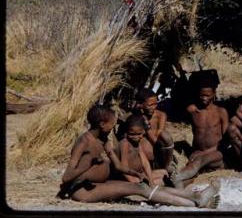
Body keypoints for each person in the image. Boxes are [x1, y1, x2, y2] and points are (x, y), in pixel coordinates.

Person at [57, 104, 220, 208]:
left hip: (100, 182)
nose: (113, 127)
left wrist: (137, 174)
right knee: (140, 189)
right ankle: (195, 202)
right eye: (111, 124)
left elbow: (119, 166)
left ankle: (195, 197)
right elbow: (67, 176)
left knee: (143, 185)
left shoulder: (104, 139)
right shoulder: (84, 141)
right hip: (81, 190)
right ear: (101, 124)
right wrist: (90, 164)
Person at [171, 75, 229, 189]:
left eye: (207, 95)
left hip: (216, 153)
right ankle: (178, 187)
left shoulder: (221, 112)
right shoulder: (193, 111)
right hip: (198, 151)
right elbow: (177, 112)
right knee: (193, 166)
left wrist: (204, 152)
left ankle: (179, 176)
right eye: (202, 95)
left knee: (200, 160)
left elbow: (225, 141)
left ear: (213, 94)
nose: (204, 98)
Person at [116, 114, 167, 186]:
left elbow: (145, 162)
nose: (135, 137)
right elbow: (124, 169)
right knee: (161, 181)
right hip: (130, 178)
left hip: (140, 174)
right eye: (132, 134)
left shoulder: (138, 143)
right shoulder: (125, 144)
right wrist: (136, 182)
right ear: (126, 131)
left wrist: (150, 179)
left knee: (164, 172)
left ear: (143, 131)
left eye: (138, 134)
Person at [136, 88, 175, 174]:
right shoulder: (136, 117)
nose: (153, 107)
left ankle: (167, 165)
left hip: (158, 148)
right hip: (144, 156)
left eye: (155, 104)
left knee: (165, 135)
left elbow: (158, 136)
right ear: (140, 105)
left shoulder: (161, 115)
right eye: (150, 105)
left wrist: (147, 128)